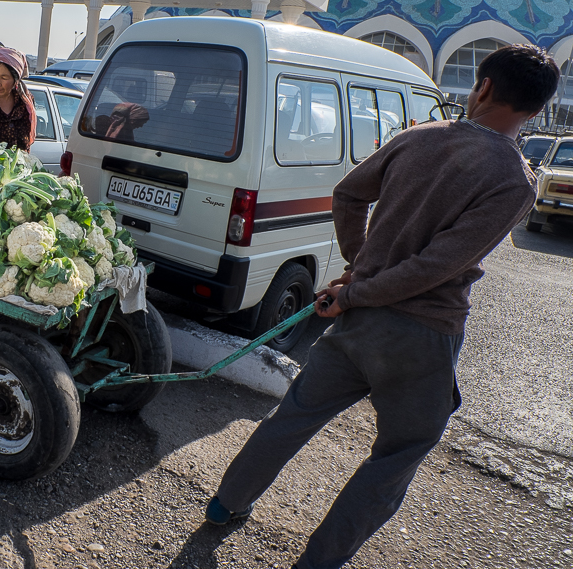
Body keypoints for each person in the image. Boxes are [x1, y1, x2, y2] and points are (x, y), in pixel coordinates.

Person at [205, 44, 559, 569]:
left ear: (481, 87)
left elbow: (349, 195)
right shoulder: (515, 181)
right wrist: (359, 283)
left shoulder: (419, 136)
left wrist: (359, 269)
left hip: (359, 321)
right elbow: (436, 267)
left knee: (294, 416)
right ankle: (319, 560)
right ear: (536, 111)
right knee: (399, 452)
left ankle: (223, 507)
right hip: (422, 336)